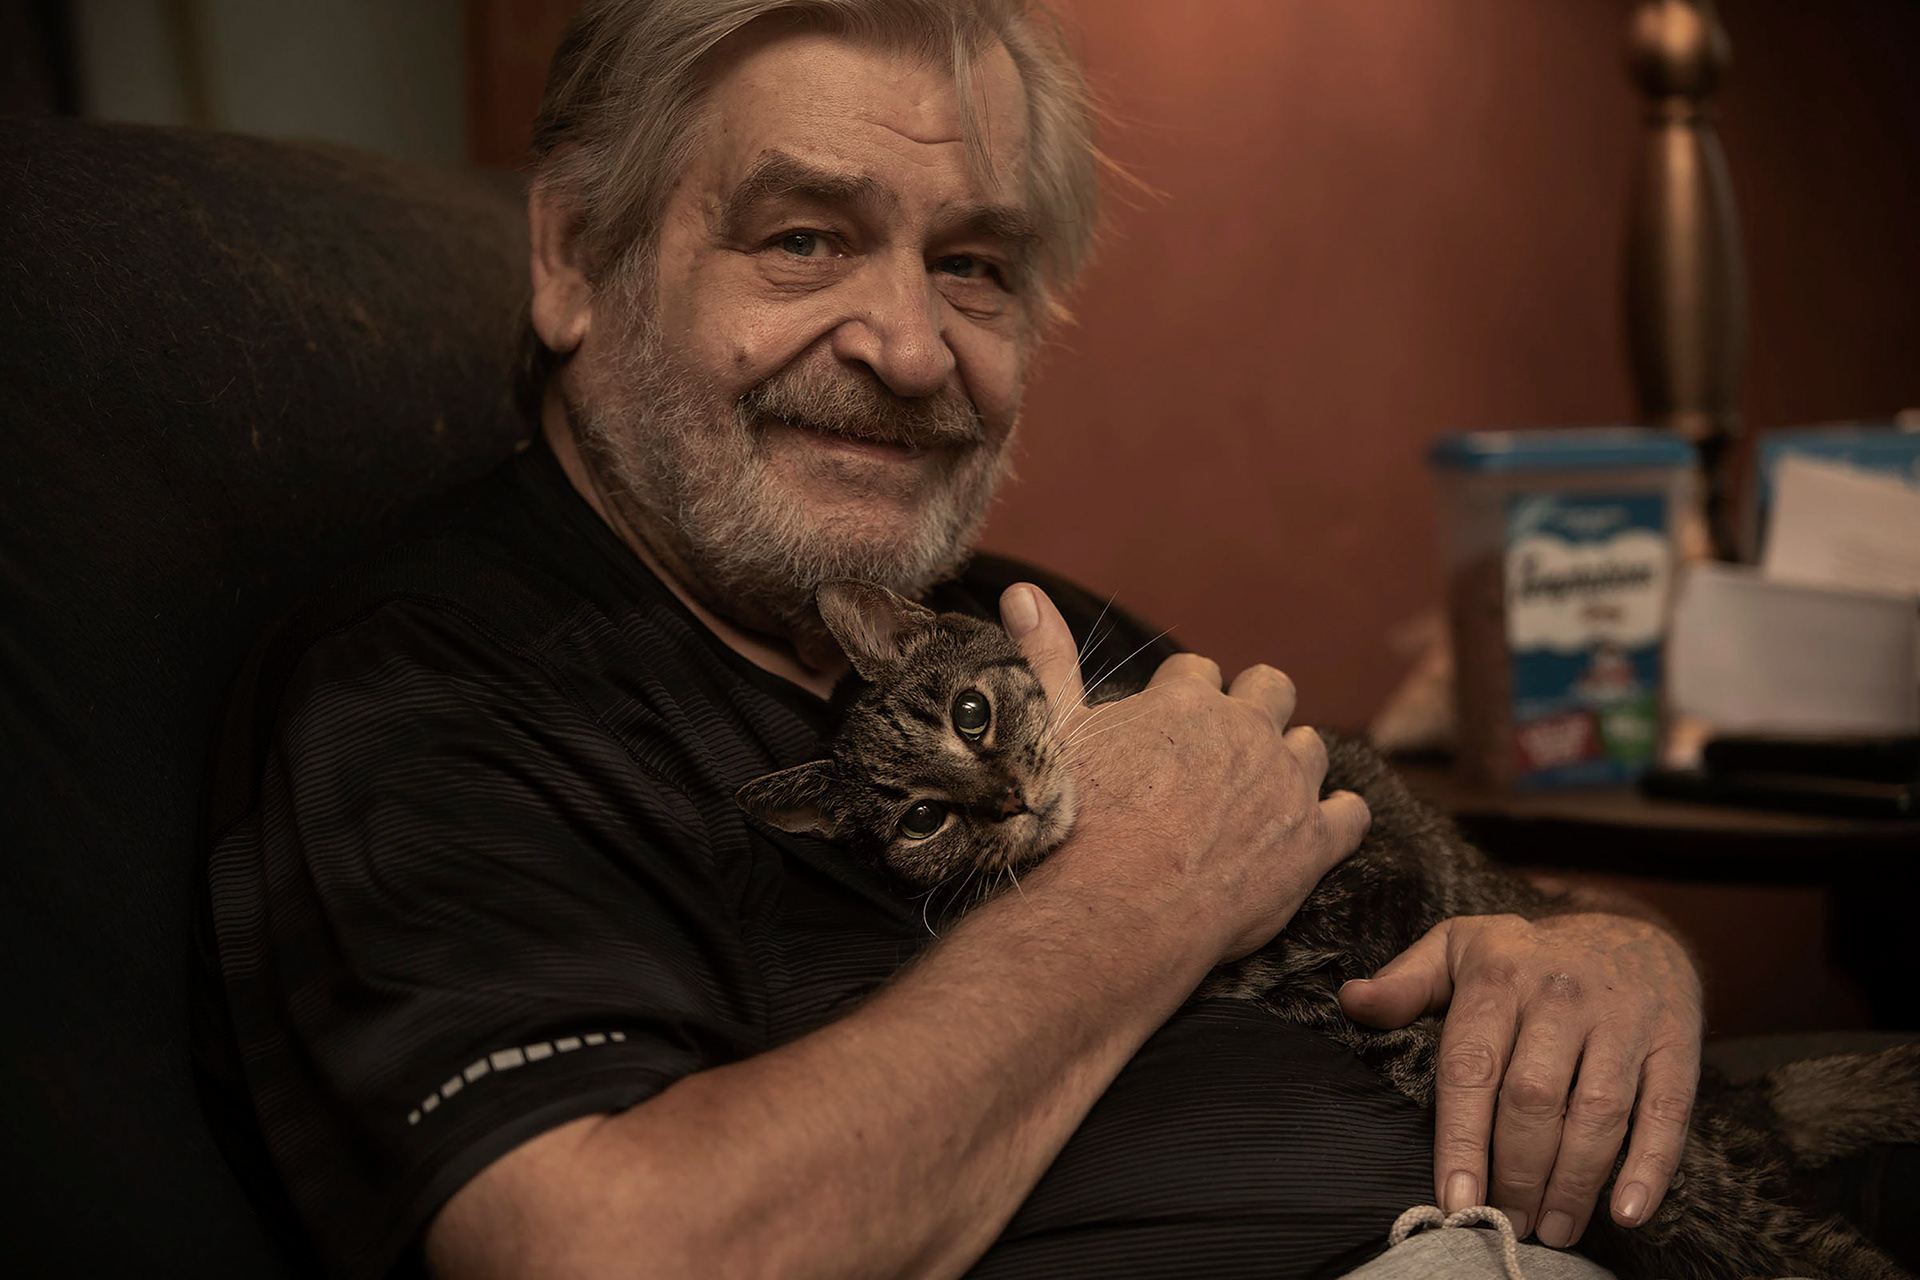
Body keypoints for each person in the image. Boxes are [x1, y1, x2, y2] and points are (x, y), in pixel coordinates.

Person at [192, 2, 1704, 1277]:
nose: (913, 351)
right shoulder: (430, 694)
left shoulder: (1008, 619)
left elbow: (1469, 891)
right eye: (803, 238)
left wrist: (1613, 956)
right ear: (579, 260)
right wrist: (1136, 891)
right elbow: (612, 1249)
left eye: (974, 265)